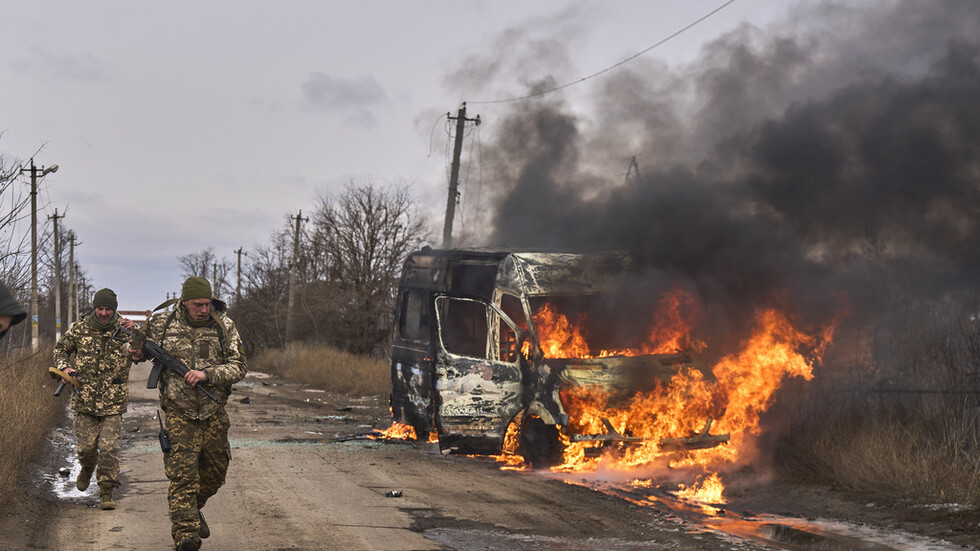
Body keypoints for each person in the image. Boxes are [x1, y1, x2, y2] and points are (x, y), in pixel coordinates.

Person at [135, 277, 247, 551]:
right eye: (198, 304)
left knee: (215, 474)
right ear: (184, 302)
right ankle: (186, 536)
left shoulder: (224, 325)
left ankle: (191, 511)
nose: (204, 309)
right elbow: (136, 352)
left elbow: (239, 366)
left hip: (213, 412)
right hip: (178, 413)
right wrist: (134, 347)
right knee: (183, 478)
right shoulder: (161, 324)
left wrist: (207, 374)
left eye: (208, 304)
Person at [52, 288, 136, 510]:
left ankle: (106, 491)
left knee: (108, 448)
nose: (104, 313)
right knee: (86, 448)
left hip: (113, 401)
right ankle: (87, 467)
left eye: (108, 309)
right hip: (85, 399)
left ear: (114, 309)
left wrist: (138, 332)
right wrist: (65, 367)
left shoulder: (126, 330)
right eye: (100, 308)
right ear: (95, 307)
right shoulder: (80, 329)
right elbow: (60, 349)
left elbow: (147, 349)